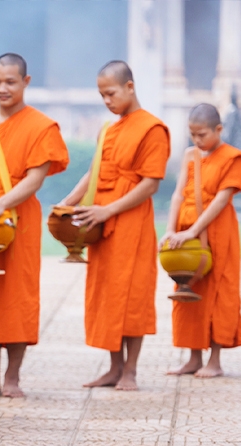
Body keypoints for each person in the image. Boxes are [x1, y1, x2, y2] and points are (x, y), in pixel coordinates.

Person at [0, 53, 69, 398]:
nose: (2, 89)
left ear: (26, 82)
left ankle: (13, 377)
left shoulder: (40, 126)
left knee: (17, 295)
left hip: (18, 217)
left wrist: (0, 204)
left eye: (10, 82)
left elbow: (35, 178)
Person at [58, 61, 170, 391]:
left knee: (132, 293)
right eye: (101, 95)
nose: (106, 100)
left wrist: (109, 210)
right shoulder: (108, 129)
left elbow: (150, 184)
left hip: (131, 220)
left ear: (130, 87)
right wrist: (68, 202)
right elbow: (93, 172)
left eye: (111, 93)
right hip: (99, 221)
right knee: (106, 292)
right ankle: (113, 368)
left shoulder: (153, 128)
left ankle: (131, 370)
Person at [161, 104, 241, 378]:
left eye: (202, 135)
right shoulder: (190, 156)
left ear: (218, 130)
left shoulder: (234, 158)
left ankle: (215, 360)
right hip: (185, 230)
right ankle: (193, 358)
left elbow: (221, 201)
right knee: (188, 290)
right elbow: (178, 195)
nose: (197, 141)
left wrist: (194, 231)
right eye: (192, 134)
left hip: (218, 232)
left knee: (218, 291)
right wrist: (170, 230)